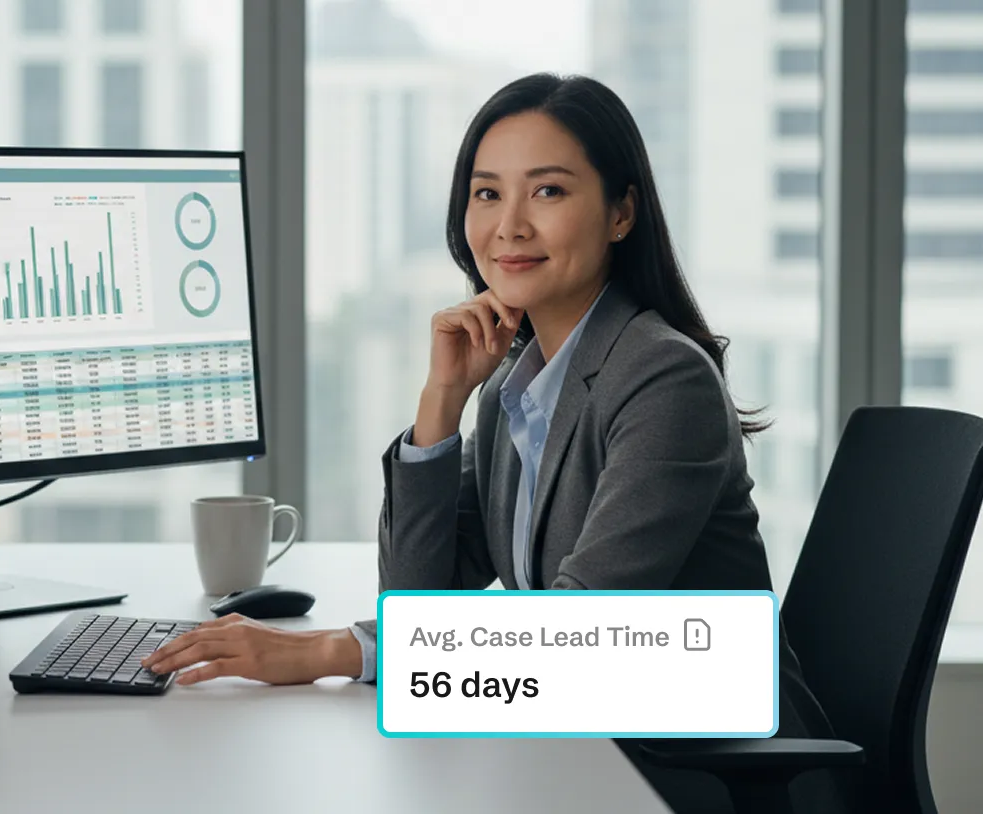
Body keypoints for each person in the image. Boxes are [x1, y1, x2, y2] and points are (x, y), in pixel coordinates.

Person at [142, 73, 850, 813]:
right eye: (487, 193)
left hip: (700, 771)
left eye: (547, 191)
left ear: (621, 213)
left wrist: (325, 651)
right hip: (575, 751)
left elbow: (581, 632)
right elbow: (417, 601)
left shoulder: (664, 378)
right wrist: (441, 400)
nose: (509, 226)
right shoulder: (519, 382)